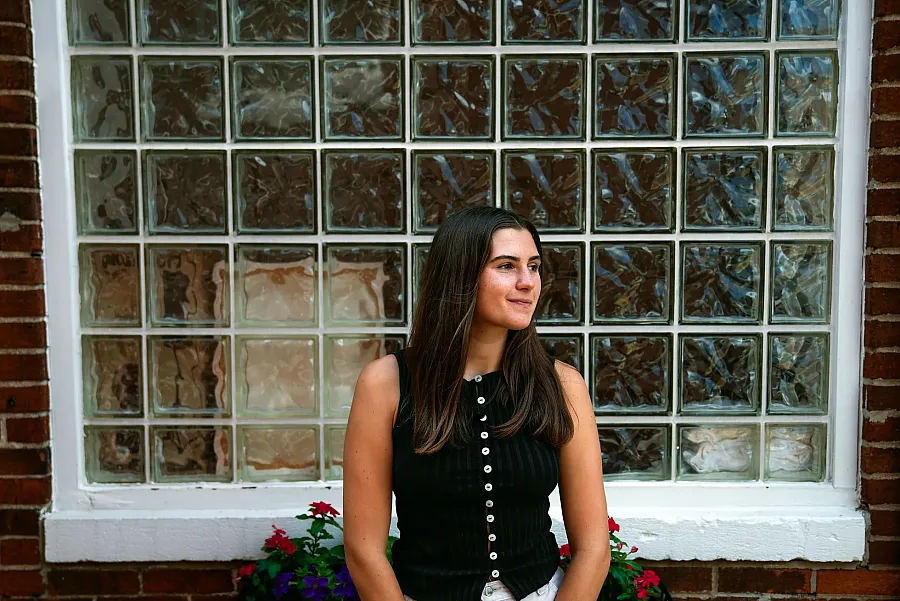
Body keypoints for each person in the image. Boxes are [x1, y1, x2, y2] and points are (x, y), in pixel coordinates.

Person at [343, 207, 611, 601]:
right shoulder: (385, 385)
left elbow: (593, 548)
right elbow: (364, 550)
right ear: (461, 275)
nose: (528, 283)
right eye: (506, 266)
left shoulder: (562, 385)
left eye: (533, 267)